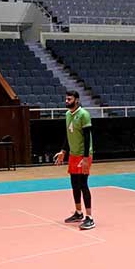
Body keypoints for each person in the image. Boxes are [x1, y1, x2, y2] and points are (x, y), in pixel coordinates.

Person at [55, 90, 95, 230]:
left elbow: (87, 137)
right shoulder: (67, 114)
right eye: (66, 99)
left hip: (84, 155)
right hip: (73, 154)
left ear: (76, 100)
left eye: (69, 99)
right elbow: (68, 135)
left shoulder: (84, 114)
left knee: (83, 184)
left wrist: (85, 158)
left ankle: (90, 217)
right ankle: (78, 213)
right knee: (74, 184)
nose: (67, 101)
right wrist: (63, 151)